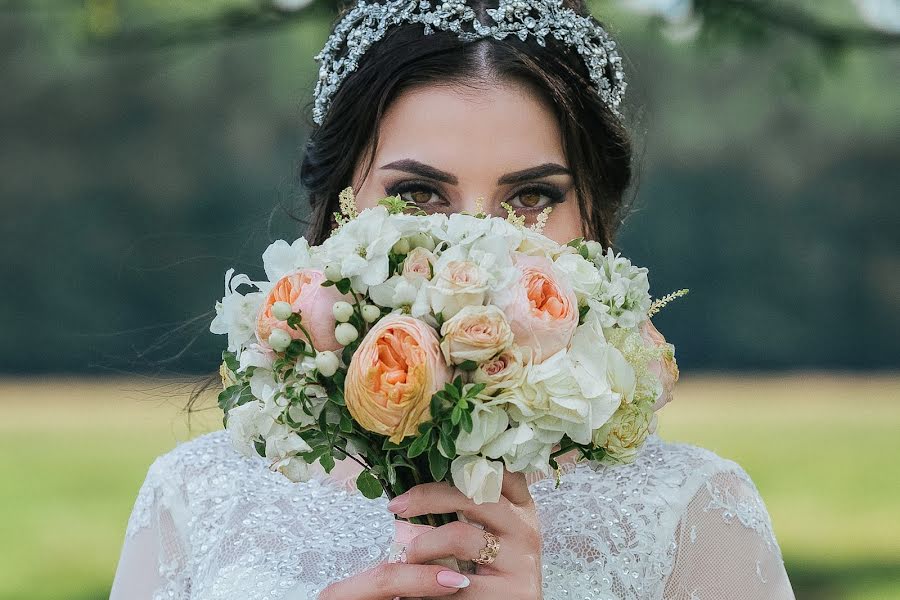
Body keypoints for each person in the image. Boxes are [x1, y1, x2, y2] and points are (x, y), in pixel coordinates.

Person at [110, 0, 796, 598]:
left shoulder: (691, 511)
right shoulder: (199, 497)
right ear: (339, 213)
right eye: (419, 195)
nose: (478, 244)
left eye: (531, 198)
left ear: (594, 224)